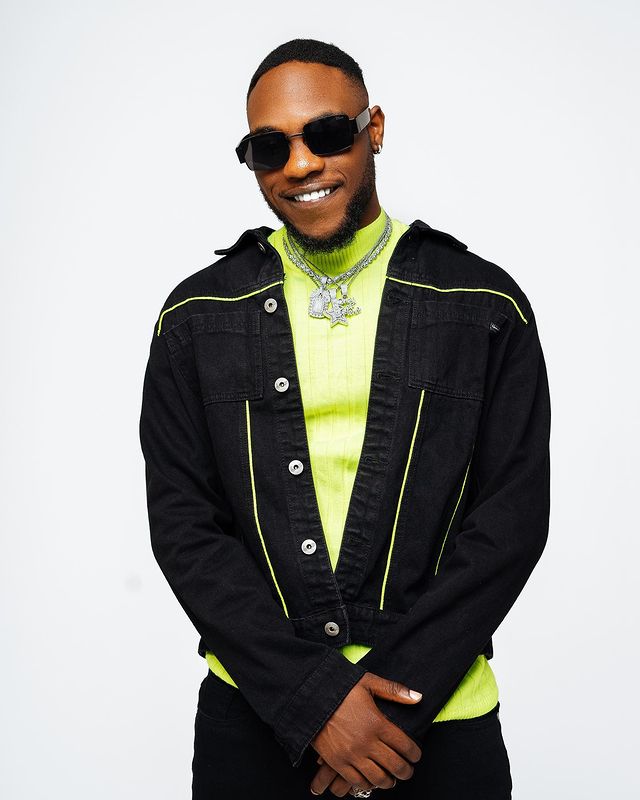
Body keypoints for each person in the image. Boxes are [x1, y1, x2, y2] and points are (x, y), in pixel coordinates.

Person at [139, 38, 551, 800]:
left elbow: (511, 520)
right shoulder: (196, 316)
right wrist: (313, 701)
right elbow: (186, 528)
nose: (300, 165)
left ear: (374, 128)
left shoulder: (483, 304)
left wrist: (383, 710)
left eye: (326, 134)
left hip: (439, 726)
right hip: (252, 727)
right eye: (270, 148)